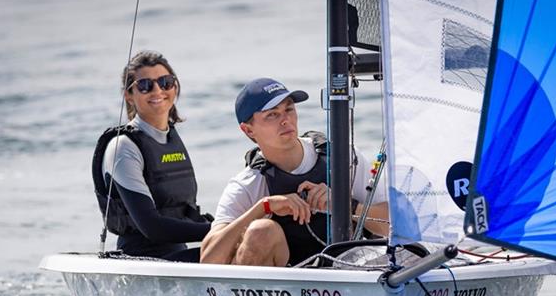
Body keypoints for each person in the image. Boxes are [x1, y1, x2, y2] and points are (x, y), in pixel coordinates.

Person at [200, 77, 388, 266]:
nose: (285, 120)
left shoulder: (344, 158)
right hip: (281, 290)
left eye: (289, 109)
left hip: (345, 278)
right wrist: (262, 208)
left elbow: (397, 227)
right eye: (272, 115)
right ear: (248, 130)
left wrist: (345, 205)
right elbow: (208, 261)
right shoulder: (247, 184)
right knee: (261, 230)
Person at [91, 50, 212, 261]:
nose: (157, 90)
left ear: (175, 87)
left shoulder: (170, 138)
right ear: (128, 95)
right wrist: (220, 229)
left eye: (165, 82)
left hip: (178, 256)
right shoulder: (123, 148)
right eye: (145, 85)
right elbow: (152, 227)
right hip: (143, 262)